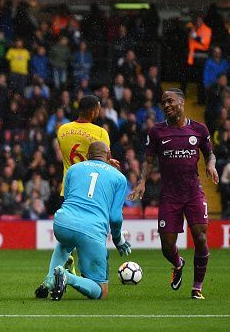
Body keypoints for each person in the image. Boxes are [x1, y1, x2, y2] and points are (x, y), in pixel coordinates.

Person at [128, 88, 218, 300]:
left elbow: (210, 154)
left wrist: (211, 165)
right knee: (167, 247)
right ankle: (178, 263)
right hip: (169, 195)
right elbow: (149, 161)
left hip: (193, 191)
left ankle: (197, 288)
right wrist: (141, 183)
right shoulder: (157, 132)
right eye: (163, 103)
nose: (166, 105)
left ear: (182, 102)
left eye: (170, 101)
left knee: (201, 238)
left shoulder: (199, 129)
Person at [34, 95, 116, 298]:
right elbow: (103, 161)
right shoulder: (100, 133)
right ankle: (85, 277)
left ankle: (50, 279)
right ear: (94, 111)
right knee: (89, 239)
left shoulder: (62, 130)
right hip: (92, 194)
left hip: (69, 192)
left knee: (64, 243)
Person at [44, 141, 131, 301]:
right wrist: (118, 239)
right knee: (101, 290)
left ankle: (50, 279)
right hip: (92, 230)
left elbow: (68, 198)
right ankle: (66, 277)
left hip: (62, 223)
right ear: (109, 156)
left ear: (87, 156)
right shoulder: (119, 178)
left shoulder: (73, 169)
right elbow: (115, 217)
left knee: (66, 241)